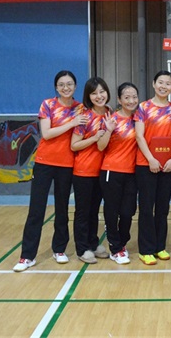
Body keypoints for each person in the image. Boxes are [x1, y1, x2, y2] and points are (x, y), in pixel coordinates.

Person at [14, 70, 88, 272]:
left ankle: (59, 249)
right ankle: (27, 256)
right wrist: (71, 123)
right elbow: (46, 133)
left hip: (67, 164)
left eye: (69, 84)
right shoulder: (47, 105)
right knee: (36, 209)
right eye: (61, 84)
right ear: (56, 87)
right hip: (45, 163)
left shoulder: (80, 108)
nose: (66, 88)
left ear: (75, 86)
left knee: (62, 208)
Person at [134, 71, 171, 266]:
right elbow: (139, 136)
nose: (163, 86)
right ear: (154, 84)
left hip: (167, 166)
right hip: (146, 164)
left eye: (167, 83)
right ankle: (145, 250)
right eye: (160, 82)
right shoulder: (143, 107)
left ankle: (160, 246)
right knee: (146, 208)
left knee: (163, 208)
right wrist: (151, 159)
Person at [98, 82, 140, 265]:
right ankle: (115, 248)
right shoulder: (111, 119)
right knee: (112, 210)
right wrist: (108, 129)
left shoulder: (139, 119)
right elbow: (100, 146)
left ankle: (122, 242)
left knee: (128, 211)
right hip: (111, 171)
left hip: (132, 173)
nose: (131, 100)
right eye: (127, 97)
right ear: (119, 99)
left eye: (134, 97)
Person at [70, 77, 111, 264]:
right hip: (84, 171)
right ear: (88, 96)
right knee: (83, 212)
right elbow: (74, 145)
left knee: (95, 210)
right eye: (94, 93)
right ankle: (82, 248)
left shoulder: (110, 113)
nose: (99, 96)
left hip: (103, 171)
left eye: (102, 92)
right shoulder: (85, 117)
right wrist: (94, 138)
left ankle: (93, 243)